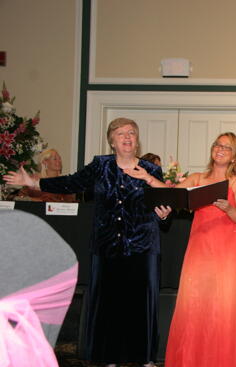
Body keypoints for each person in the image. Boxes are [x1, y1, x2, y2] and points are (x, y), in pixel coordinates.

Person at [3, 117, 170, 367]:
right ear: (111, 141)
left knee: (140, 304)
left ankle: (143, 356)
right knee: (109, 304)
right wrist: (33, 182)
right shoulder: (100, 166)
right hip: (107, 246)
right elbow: (71, 181)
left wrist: (164, 213)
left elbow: (165, 207)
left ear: (137, 140)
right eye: (120, 133)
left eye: (132, 133)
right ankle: (109, 356)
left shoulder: (151, 170)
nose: (127, 137)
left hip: (143, 246)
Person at [125, 132, 236, 367]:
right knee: (195, 303)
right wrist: (148, 178)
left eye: (227, 147)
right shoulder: (197, 178)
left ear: (235, 156)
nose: (220, 149)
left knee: (223, 305)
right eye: (217, 144)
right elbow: (171, 196)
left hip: (229, 251)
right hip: (200, 247)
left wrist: (228, 208)